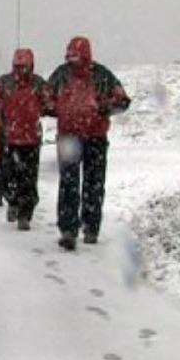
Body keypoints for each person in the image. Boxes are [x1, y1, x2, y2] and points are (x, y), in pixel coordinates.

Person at [48, 36, 130, 250]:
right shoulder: (63, 74)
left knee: (91, 184)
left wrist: (104, 107)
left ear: (85, 55)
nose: (72, 61)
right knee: (70, 183)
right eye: (70, 57)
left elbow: (123, 101)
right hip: (72, 137)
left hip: (92, 137)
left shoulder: (101, 75)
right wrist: (52, 108)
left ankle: (89, 229)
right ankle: (69, 230)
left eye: (75, 57)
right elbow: (45, 99)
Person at [0, 48, 53, 230]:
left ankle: (23, 212)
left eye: (24, 66)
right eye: (18, 66)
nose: (21, 70)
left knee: (23, 179)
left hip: (24, 139)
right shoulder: (8, 83)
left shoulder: (33, 84)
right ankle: (16, 206)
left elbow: (50, 104)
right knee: (15, 177)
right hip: (14, 138)